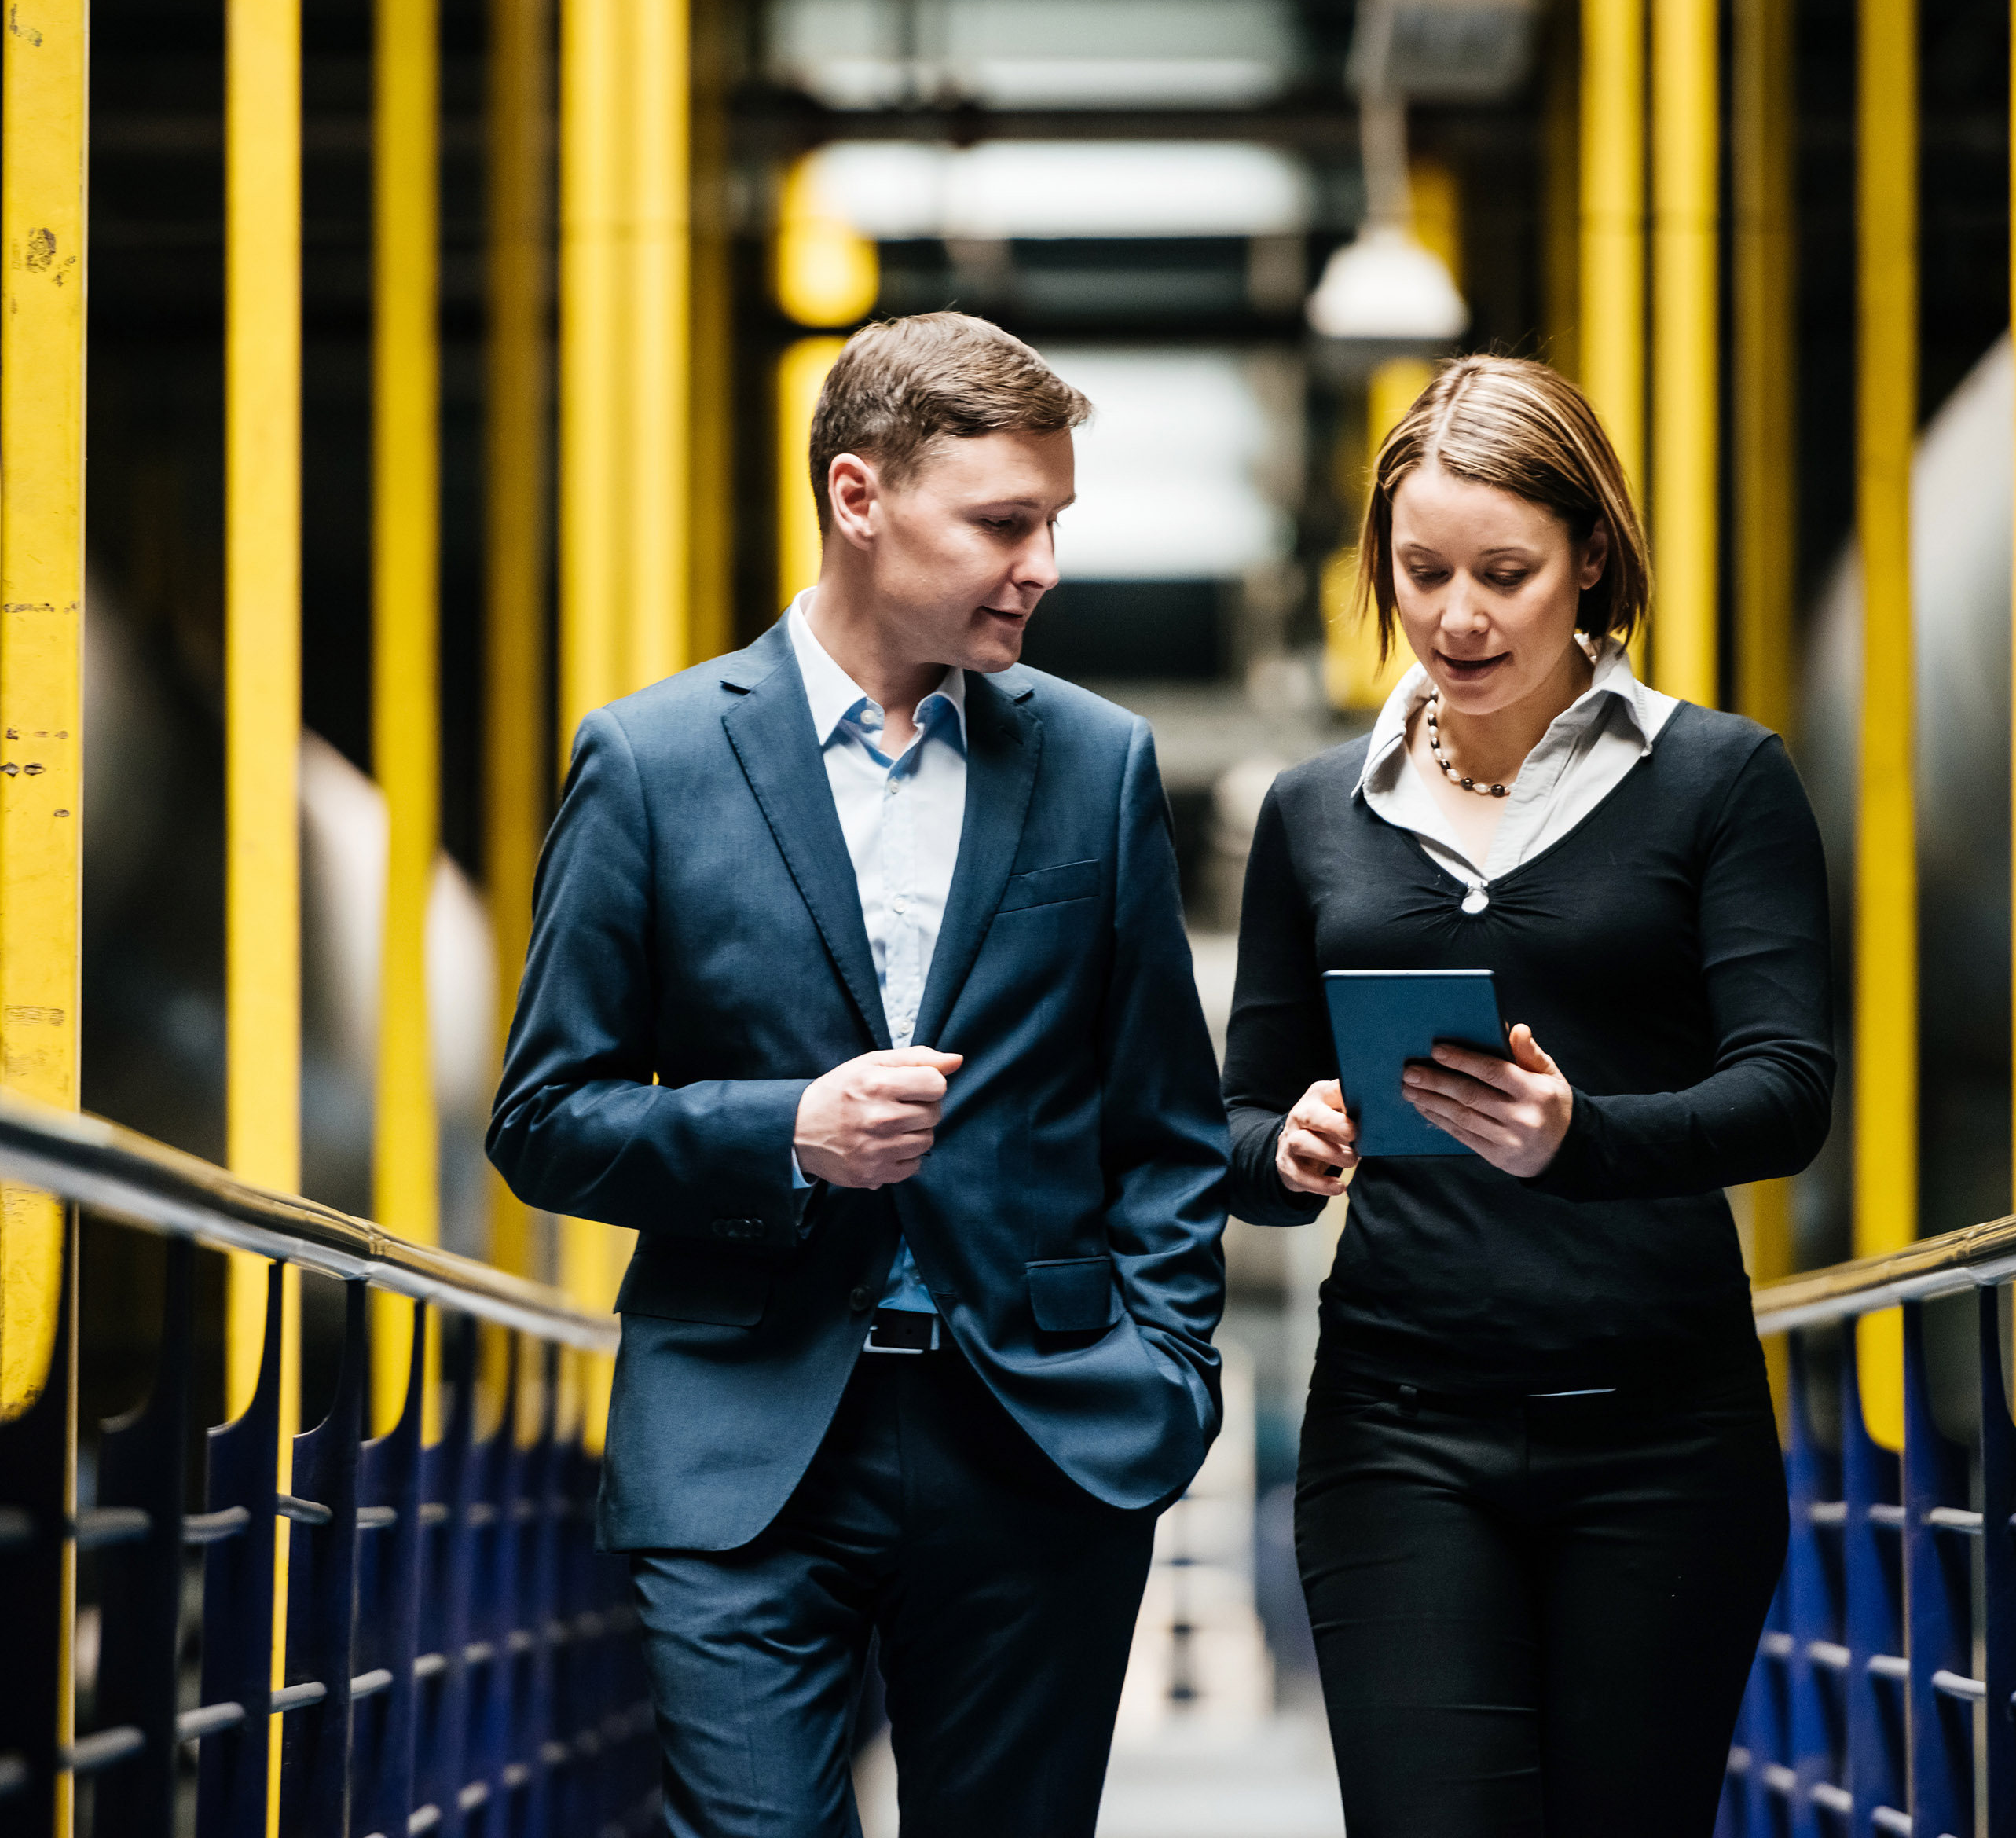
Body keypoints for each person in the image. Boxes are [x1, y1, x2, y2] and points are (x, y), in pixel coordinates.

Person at [489, 312, 1229, 1838]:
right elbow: (545, 1116)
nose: (1044, 565)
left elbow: (1164, 1124)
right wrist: (789, 1132)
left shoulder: (1097, 767)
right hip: (740, 1442)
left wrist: (1168, 1374)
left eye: (1055, 523)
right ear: (858, 495)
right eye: (1005, 523)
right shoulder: (652, 759)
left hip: (1041, 1437)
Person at [1224, 355, 1832, 1836]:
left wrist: (1581, 1136)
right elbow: (1228, 1129)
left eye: (1506, 570)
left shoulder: (1721, 782)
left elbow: (1787, 1092)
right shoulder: (1317, 814)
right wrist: (1290, 1149)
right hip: (1399, 1430)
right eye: (1422, 571)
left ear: (1592, 562)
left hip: (1662, 1432)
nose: (1458, 615)